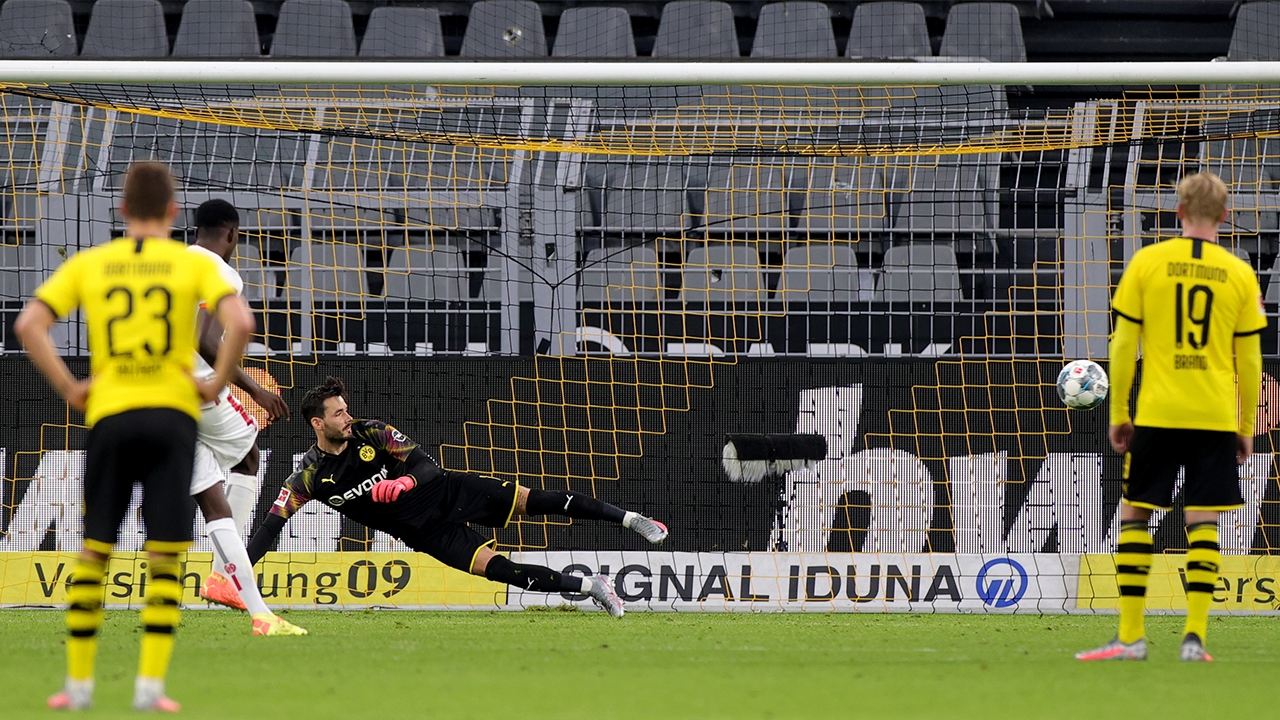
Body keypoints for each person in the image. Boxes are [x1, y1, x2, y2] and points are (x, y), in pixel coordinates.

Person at [14, 162, 256, 711]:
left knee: (95, 550)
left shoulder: (93, 262)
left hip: (113, 414)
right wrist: (217, 383)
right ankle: (150, 688)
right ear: (172, 215)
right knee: (165, 554)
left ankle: (77, 686)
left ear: (122, 212)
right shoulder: (191, 264)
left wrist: (74, 389)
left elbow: (29, 325)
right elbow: (240, 323)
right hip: (171, 415)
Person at [246, 376, 670, 616]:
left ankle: (630, 519)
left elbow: (426, 466)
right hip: (426, 533)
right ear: (317, 424)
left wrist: (405, 482)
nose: (347, 415)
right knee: (502, 571)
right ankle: (592, 586)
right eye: (338, 413)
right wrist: (239, 574)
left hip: (449, 491)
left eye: (346, 408)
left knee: (535, 502)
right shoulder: (307, 478)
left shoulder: (372, 432)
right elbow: (270, 527)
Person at [1076, 171, 1265, 663]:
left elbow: (1121, 344)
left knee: (1135, 514)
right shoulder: (1240, 274)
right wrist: (1245, 426)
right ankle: (1194, 638)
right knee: (1204, 522)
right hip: (1215, 415)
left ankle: (1131, 637)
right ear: (1225, 217)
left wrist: (1119, 411)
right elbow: (1249, 362)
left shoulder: (1147, 262)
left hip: (1159, 411)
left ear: (1177, 212)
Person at [176, 199, 305, 637]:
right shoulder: (221, 271)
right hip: (195, 390)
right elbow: (208, 341)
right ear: (232, 235)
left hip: (151, 394)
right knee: (248, 454)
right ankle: (222, 579)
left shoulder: (175, 263)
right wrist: (256, 389)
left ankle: (241, 597)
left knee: (212, 494)